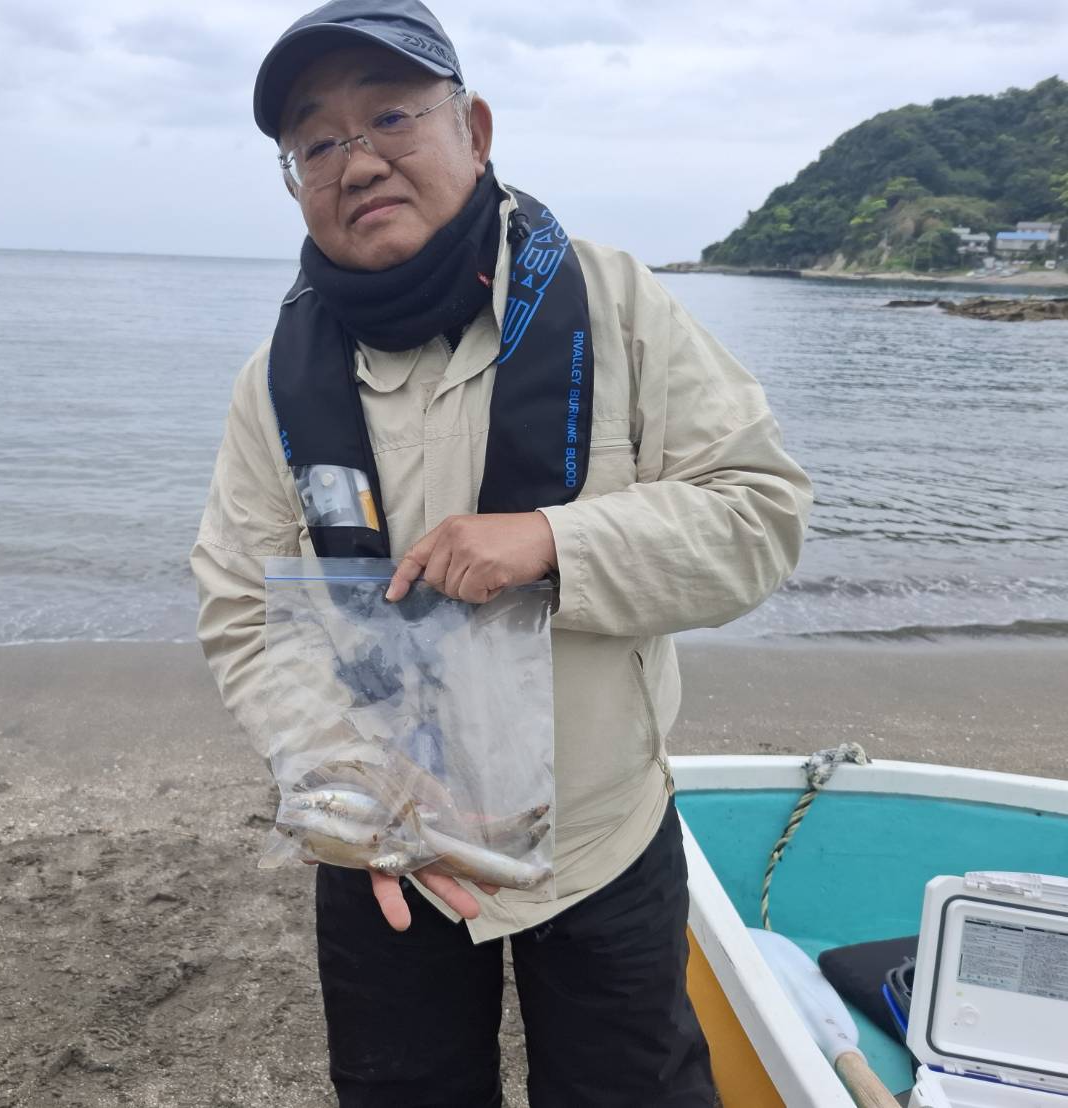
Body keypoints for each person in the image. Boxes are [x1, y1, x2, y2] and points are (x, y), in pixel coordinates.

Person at [190, 2, 813, 1104]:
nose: (357, 161)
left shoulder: (618, 304)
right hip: (386, 849)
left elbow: (759, 516)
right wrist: (351, 788)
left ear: (473, 130)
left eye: (391, 117)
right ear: (294, 182)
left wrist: (555, 542)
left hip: (603, 838)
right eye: (316, 143)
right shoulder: (271, 383)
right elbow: (243, 605)